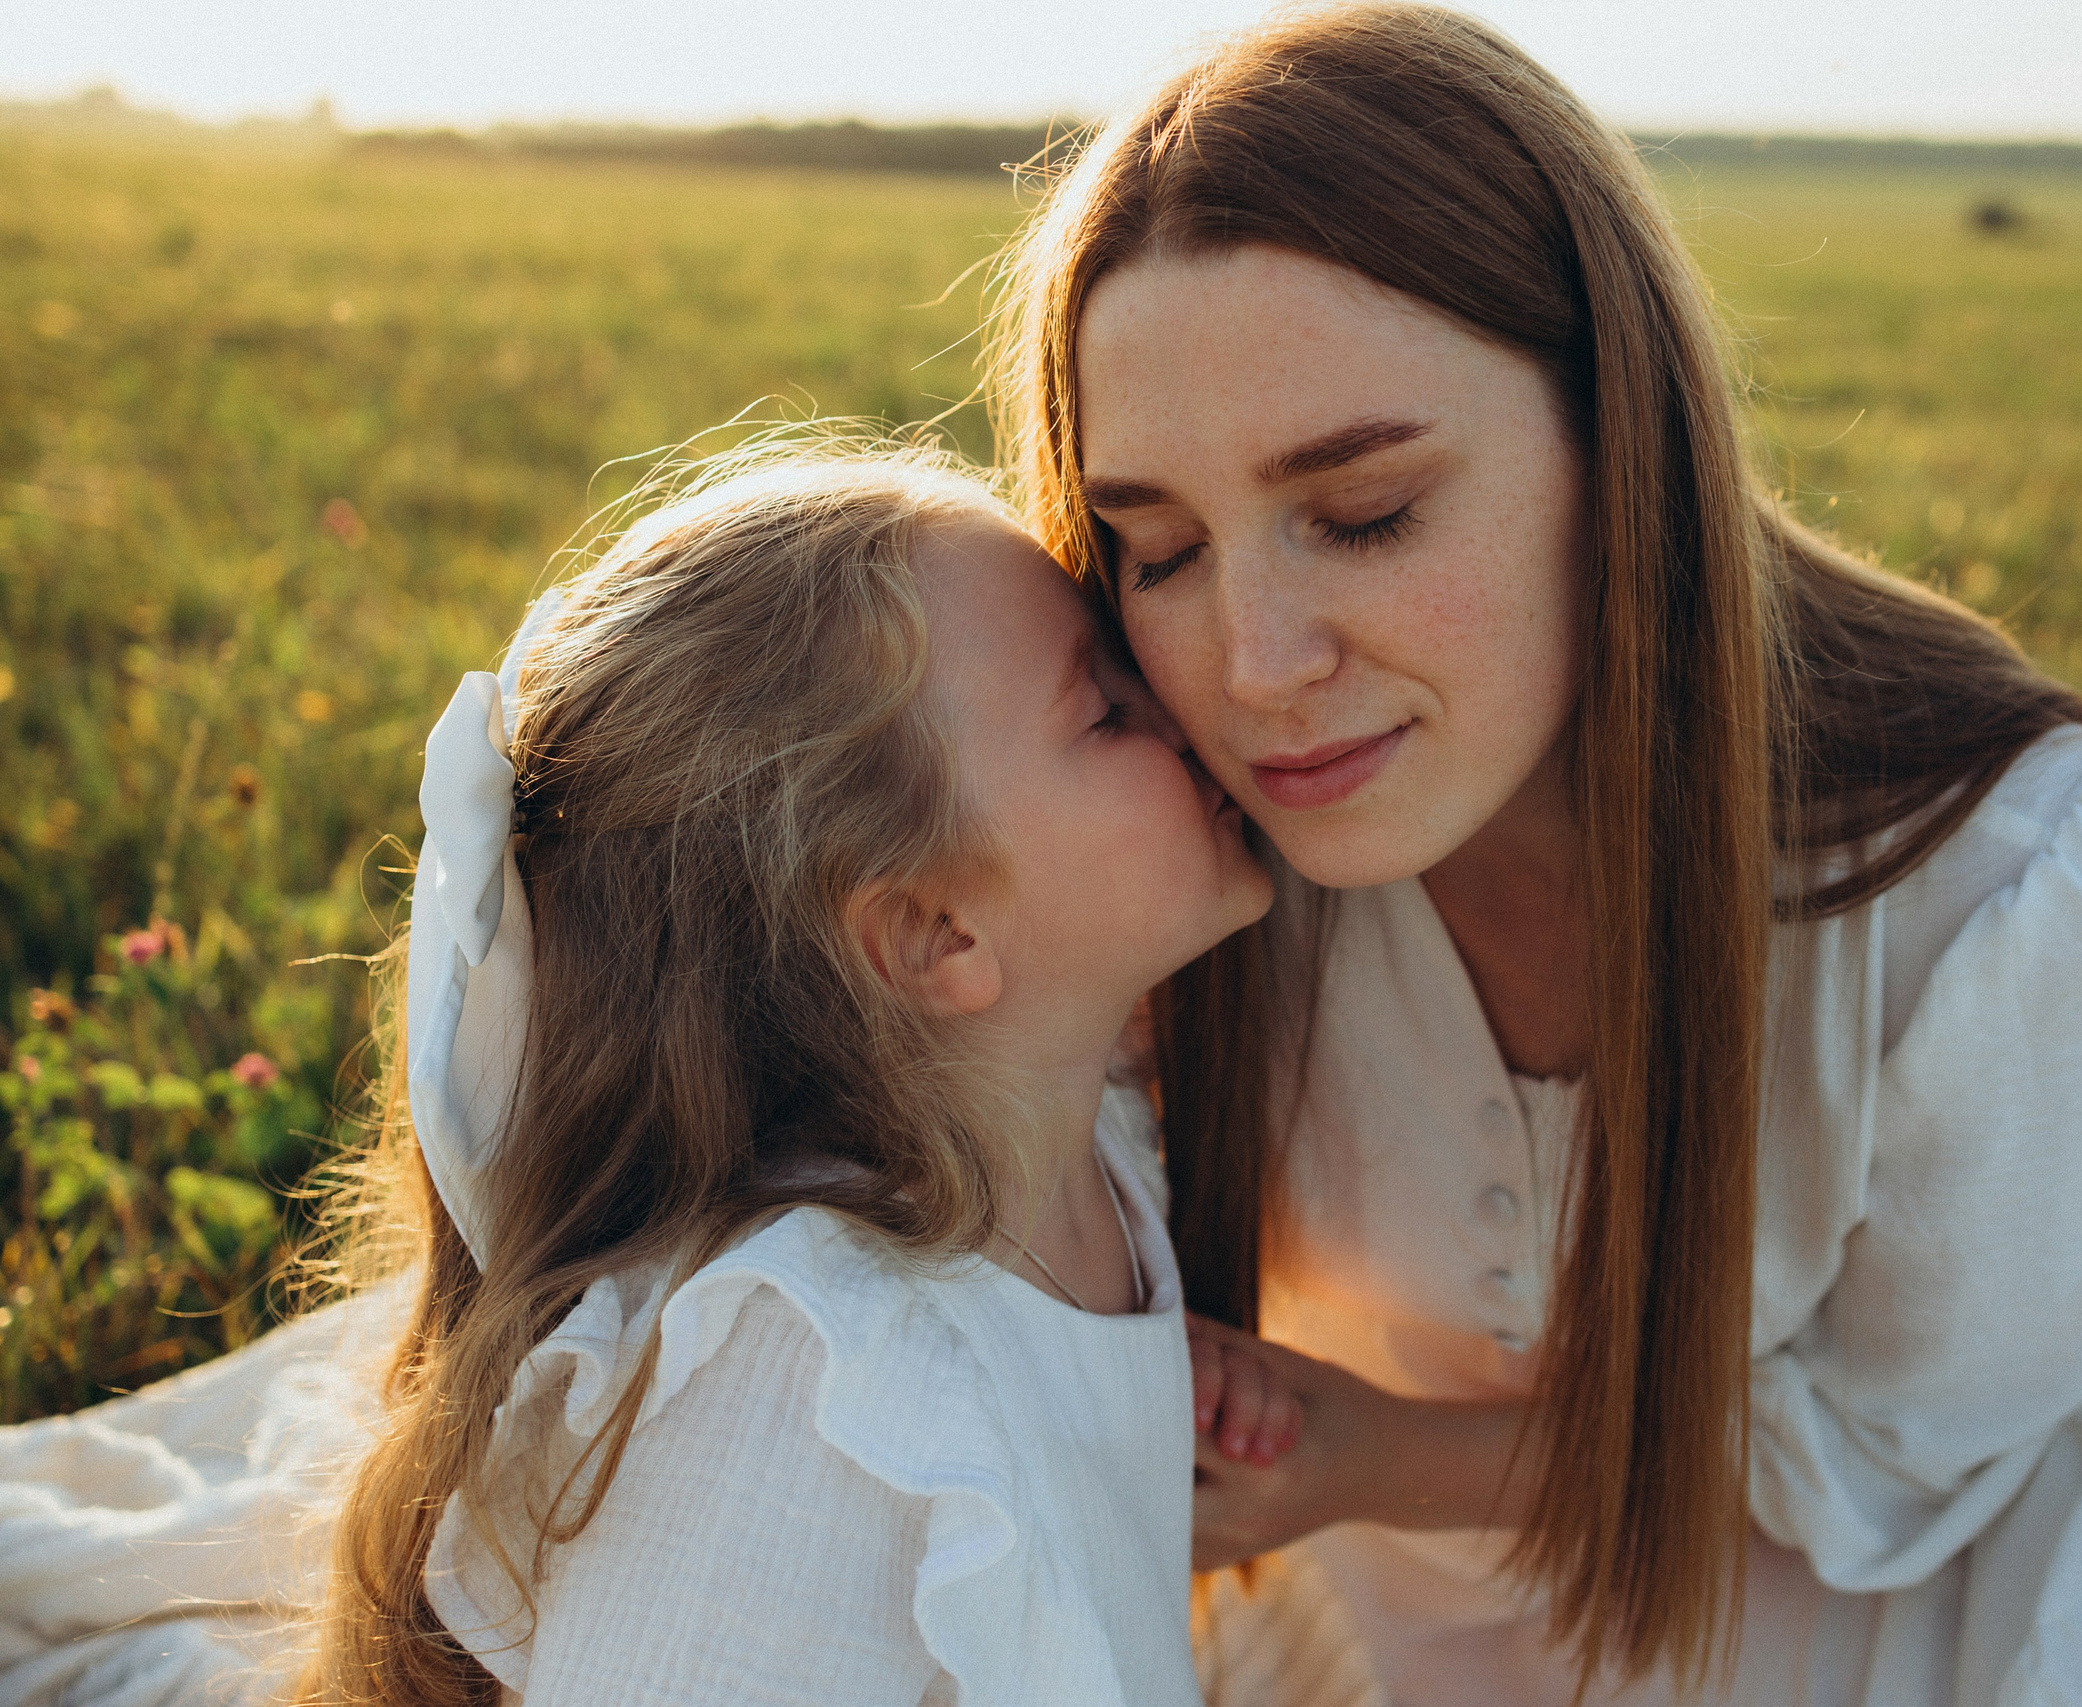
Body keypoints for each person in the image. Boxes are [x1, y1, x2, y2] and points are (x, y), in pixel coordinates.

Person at [993, 6, 2082, 1703]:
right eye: (1158, 549)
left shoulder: (1997, 868)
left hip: (2044, 1512)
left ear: (1622, 441)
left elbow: (1910, 1461)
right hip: (1441, 1553)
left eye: (1366, 515)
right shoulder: (1179, 844)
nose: (1256, 663)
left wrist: (1378, 1460)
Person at [0, 437, 1289, 1706]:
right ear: (934, 933)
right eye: (1106, 709)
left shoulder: (1083, 1126)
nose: (1184, 699)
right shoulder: (806, 1391)